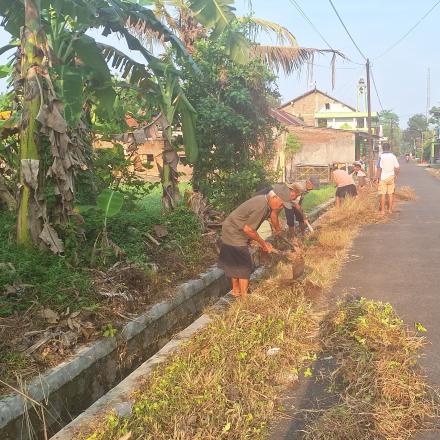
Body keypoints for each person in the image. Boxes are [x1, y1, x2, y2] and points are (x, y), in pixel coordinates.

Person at [218, 183, 293, 297]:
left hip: (233, 229)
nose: (281, 207)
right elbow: (248, 229)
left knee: (235, 263)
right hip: (234, 232)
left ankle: (236, 291)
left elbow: (269, 218)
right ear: (274, 197)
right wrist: (263, 243)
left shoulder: (265, 203)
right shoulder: (261, 206)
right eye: (282, 204)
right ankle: (244, 298)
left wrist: (272, 234)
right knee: (244, 266)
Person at [376, 143, 400, 215]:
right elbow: (397, 167)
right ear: (389, 148)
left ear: (383, 148)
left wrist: (377, 177)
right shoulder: (393, 156)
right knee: (390, 194)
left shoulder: (381, 156)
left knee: (382, 194)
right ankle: (390, 210)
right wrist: (396, 175)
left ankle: (383, 211)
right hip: (391, 176)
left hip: (383, 177)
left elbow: (379, 168)